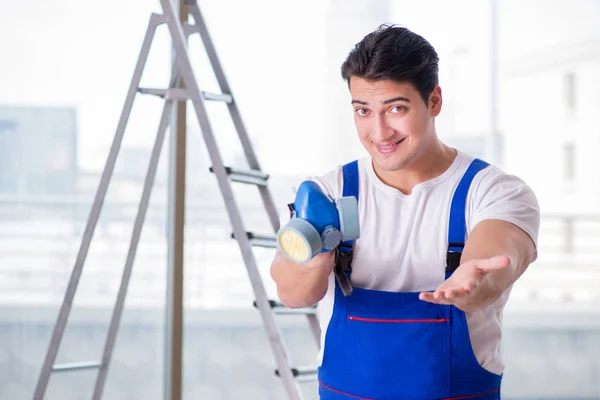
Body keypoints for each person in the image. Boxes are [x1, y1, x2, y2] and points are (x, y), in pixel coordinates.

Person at [270, 24, 539, 400]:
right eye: (363, 110)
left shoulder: (492, 190)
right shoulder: (328, 192)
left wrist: (471, 284)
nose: (379, 132)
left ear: (434, 101)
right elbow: (293, 294)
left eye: (396, 108)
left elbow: (492, 261)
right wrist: (320, 249)